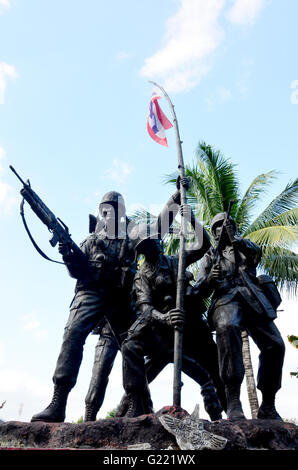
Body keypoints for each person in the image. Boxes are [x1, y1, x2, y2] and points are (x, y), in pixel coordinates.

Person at [31, 184, 185, 423]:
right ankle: (58, 402)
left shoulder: (132, 236)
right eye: (105, 209)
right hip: (90, 293)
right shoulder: (90, 240)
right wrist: (67, 254)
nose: (108, 213)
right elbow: (76, 271)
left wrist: (176, 198)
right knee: (72, 335)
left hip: (121, 297)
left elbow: (158, 229)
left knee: (132, 345)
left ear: (121, 212)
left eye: (114, 209)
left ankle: (137, 403)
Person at [121, 203, 226, 420]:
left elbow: (203, 244)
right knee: (130, 346)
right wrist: (165, 318)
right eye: (149, 244)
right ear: (142, 250)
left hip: (191, 325)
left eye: (156, 241)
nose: (156, 245)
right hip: (161, 331)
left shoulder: (176, 260)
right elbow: (146, 309)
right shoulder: (142, 276)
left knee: (213, 369)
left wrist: (193, 220)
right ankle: (134, 401)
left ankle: (227, 409)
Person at [194, 211, 285, 420]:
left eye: (225, 226)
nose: (221, 230)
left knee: (276, 345)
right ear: (214, 233)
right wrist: (210, 279)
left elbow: (256, 253)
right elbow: (199, 289)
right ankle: (233, 399)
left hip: (252, 299)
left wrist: (237, 240)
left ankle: (268, 404)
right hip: (225, 300)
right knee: (227, 326)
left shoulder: (244, 248)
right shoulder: (210, 256)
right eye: (217, 227)